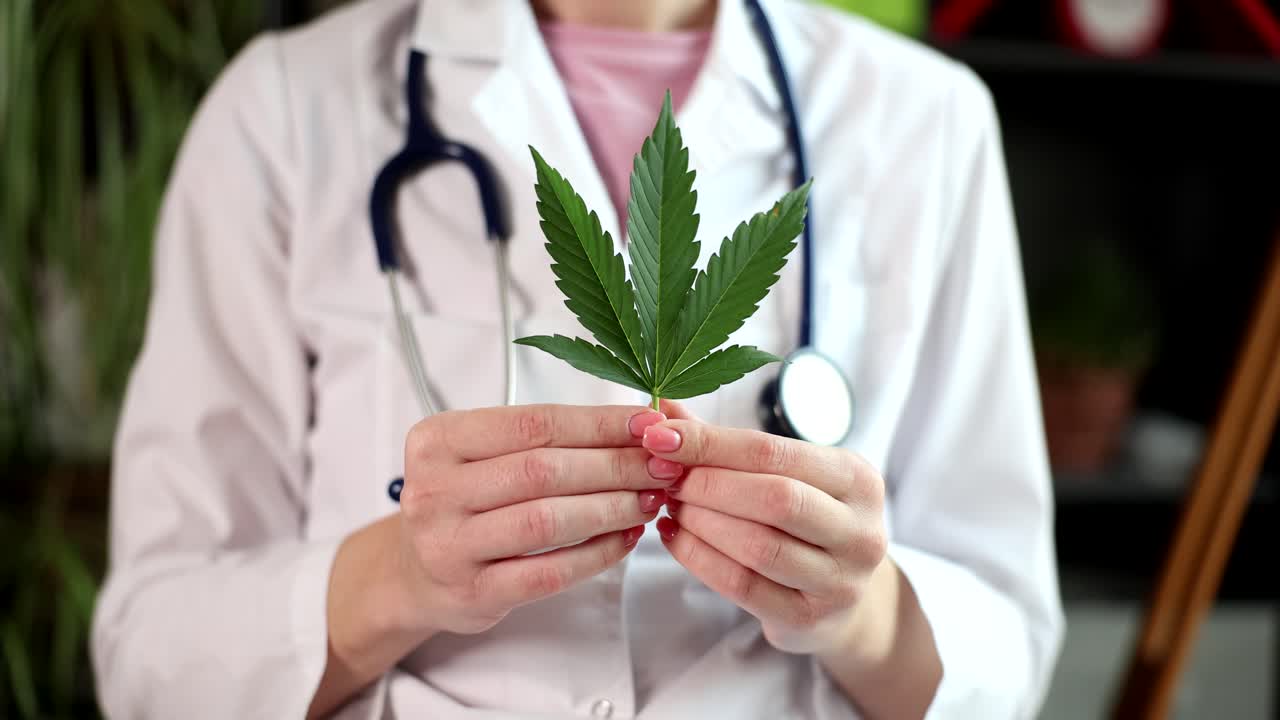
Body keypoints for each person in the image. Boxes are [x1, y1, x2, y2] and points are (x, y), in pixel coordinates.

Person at [90, 0, 1065, 718]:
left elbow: (1009, 653)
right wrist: (396, 578)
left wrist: (864, 610)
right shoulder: (282, 110)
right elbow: (148, 655)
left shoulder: (925, 122)